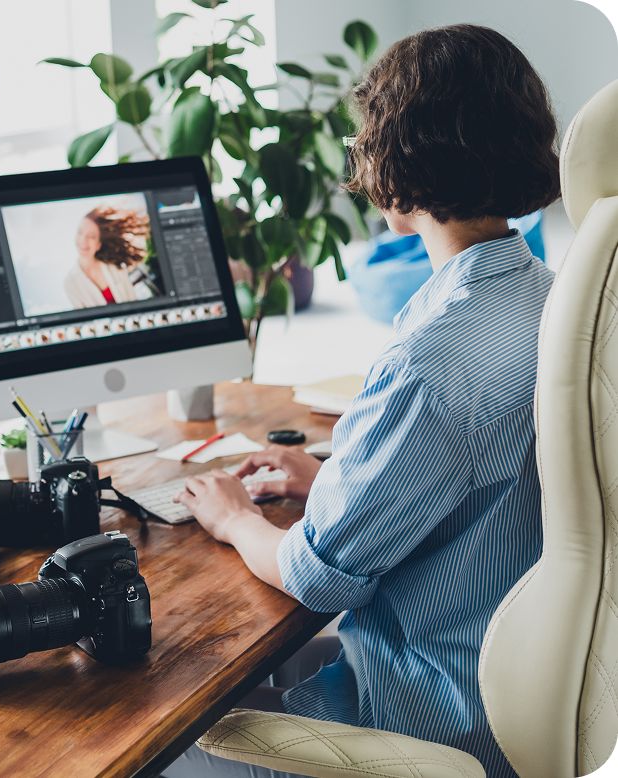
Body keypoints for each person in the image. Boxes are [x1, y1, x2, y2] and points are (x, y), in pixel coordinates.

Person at [165, 23, 561, 778]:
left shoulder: (432, 359)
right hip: (523, 682)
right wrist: (331, 481)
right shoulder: (550, 298)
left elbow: (316, 575)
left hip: (429, 711)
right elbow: (486, 482)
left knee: (159, 730)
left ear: (396, 161)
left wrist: (233, 517)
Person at [64, 206, 148, 308]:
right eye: (80, 232)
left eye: (91, 236)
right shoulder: (70, 283)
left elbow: (132, 300)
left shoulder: (114, 267)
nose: (83, 240)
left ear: (98, 245)